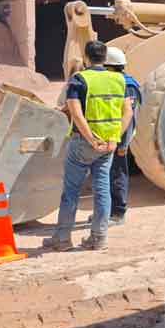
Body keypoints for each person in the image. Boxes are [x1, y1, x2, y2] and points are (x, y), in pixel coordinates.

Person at [43, 40, 134, 252]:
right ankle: (98, 238)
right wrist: (114, 137)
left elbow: (76, 112)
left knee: (71, 192)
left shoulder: (79, 79)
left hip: (83, 144)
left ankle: (62, 239)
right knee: (102, 191)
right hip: (108, 145)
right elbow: (127, 112)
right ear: (105, 58)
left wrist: (91, 139)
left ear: (86, 57)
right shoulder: (119, 80)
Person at [103, 46, 142, 227]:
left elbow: (129, 117)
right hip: (109, 138)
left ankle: (118, 213)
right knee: (105, 175)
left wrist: (122, 142)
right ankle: (106, 211)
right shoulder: (116, 81)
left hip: (118, 139)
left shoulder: (126, 85)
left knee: (117, 175)